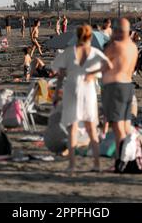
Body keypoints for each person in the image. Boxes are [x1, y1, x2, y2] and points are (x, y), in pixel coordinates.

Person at [52, 24, 109, 175]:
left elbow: (59, 72)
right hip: (88, 88)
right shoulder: (95, 52)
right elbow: (108, 65)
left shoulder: (69, 52)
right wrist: (93, 72)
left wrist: (57, 92)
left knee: (72, 129)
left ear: (77, 36)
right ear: (90, 36)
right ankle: (96, 164)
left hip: (72, 88)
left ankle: (72, 165)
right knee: (92, 129)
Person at [102, 18, 138, 171]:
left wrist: (110, 40)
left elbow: (103, 63)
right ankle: (129, 157)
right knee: (125, 124)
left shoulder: (115, 46)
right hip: (128, 86)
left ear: (117, 31)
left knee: (117, 126)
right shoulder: (133, 47)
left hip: (115, 86)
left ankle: (121, 159)